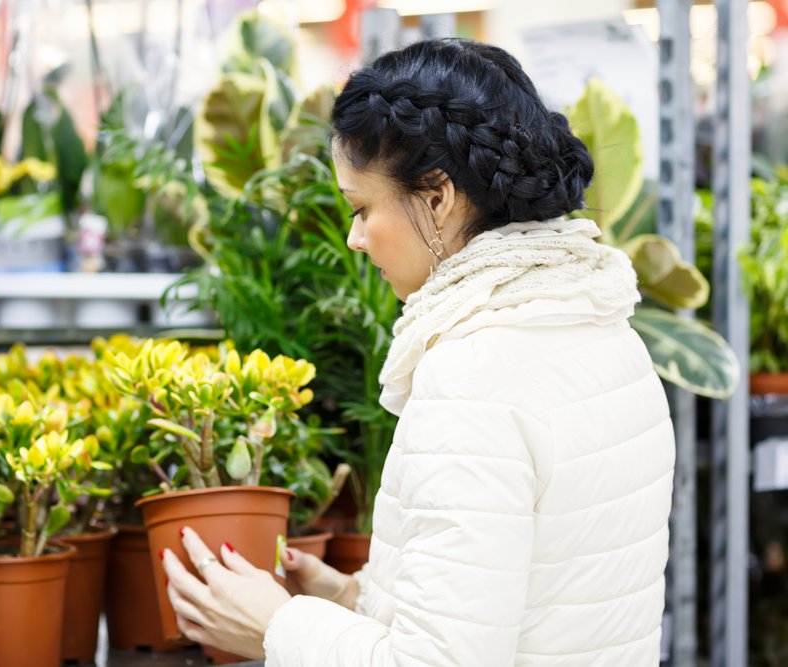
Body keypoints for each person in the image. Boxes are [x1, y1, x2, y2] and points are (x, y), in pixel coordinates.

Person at [161, 38, 675, 665]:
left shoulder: (475, 375)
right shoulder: (607, 334)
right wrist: (355, 596)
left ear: (437, 198)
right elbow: (548, 599)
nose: (353, 239)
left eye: (360, 208)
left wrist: (276, 626)